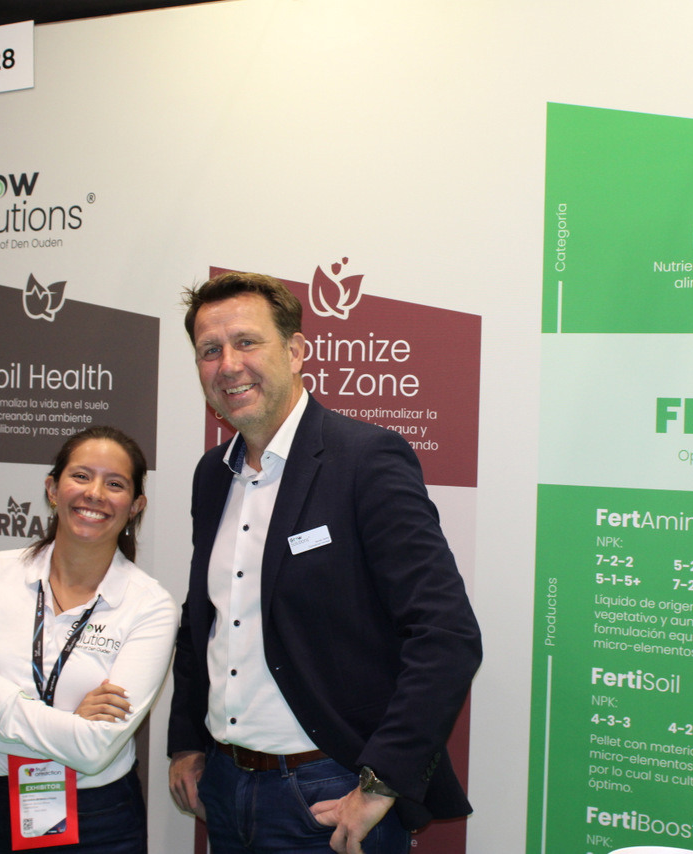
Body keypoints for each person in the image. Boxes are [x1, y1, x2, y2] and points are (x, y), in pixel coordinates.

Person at [166, 272, 482, 854]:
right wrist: (185, 739)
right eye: (210, 350)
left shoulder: (365, 459)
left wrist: (382, 781)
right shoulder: (212, 474)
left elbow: (446, 634)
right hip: (225, 787)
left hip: (328, 794)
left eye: (246, 342)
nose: (228, 365)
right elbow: (204, 617)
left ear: (295, 351)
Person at [0, 425, 178, 853]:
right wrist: (69, 724)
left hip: (97, 820)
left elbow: (94, 750)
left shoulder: (150, 606)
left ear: (136, 506)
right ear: (52, 489)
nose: (94, 493)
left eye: (115, 484)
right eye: (80, 476)